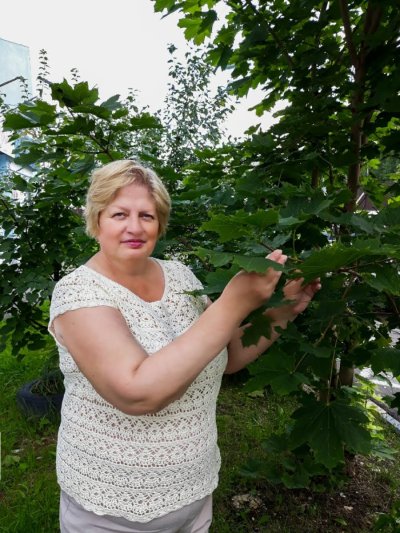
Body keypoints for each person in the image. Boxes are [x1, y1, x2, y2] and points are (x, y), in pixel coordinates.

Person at [49, 160, 320, 533]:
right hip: (111, 512)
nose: (134, 226)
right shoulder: (78, 293)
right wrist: (234, 302)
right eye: (119, 214)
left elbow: (226, 355)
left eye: (147, 215)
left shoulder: (178, 275)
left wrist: (284, 310)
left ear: (160, 223)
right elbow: (137, 393)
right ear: (96, 220)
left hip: (193, 498)